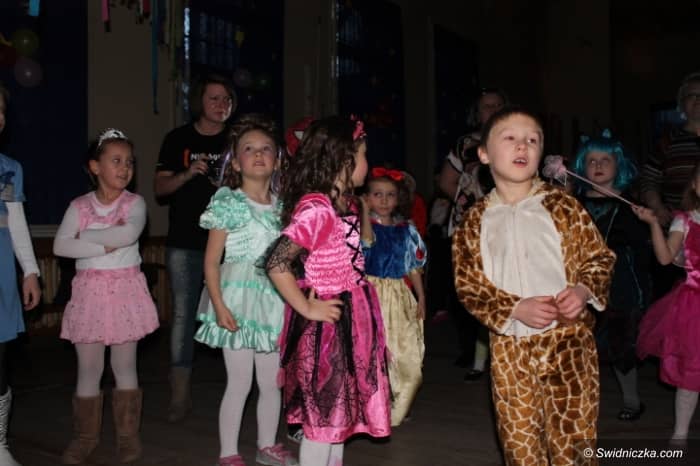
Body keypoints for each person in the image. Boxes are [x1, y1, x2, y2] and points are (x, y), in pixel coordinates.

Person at [452, 106, 615, 465]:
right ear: (484, 154)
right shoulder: (474, 221)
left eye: (532, 140)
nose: (522, 145)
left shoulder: (563, 206)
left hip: (567, 341)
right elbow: (469, 285)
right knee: (519, 444)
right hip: (510, 349)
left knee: (573, 442)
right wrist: (514, 307)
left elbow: (599, 258)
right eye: (510, 138)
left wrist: (583, 291)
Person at [266, 116, 391, 466]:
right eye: (363, 155)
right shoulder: (317, 209)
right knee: (323, 419)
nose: (368, 164)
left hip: (350, 319)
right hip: (327, 328)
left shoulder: (344, 204)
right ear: (343, 158)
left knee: (338, 417)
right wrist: (308, 308)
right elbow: (276, 261)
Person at [194, 114, 298, 466]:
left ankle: (267, 445)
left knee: (271, 382)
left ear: (277, 160)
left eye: (266, 149)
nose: (258, 154)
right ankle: (228, 452)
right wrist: (219, 305)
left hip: (273, 301)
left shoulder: (284, 207)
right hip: (237, 301)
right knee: (239, 382)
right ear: (236, 162)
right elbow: (212, 261)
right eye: (249, 149)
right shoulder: (228, 201)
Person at [54, 129, 159, 464]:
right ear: (95, 167)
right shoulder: (79, 206)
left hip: (125, 291)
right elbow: (61, 245)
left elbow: (128, 234)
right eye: (116, 160)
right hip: (90, 294)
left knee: (124, 365)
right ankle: (85, 437)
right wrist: (102, 243)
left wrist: (85, 235)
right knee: (89, 368)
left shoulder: (134, 203)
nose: (125, 167)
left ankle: (128, 437)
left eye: (129, 162)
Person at [154, 73, 236, 422]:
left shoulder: (238, 140)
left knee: (237, 310)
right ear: (199, 101)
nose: (221, 105)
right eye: (214, 98)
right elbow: (160, 189)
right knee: (184, 315)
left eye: (226, 99)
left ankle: (240, 386)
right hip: (185, 242)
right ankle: (179, 394)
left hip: (232, 244)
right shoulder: (178, 139)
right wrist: (188, 173)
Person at [573, 130, 652, 421]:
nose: (598, 165)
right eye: (591, 160)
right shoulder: (575, 204)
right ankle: (579, 401)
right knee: (581, 344)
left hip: (621, 286)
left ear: (619, 165)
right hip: (582, 284)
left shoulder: (630, 206)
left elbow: (642, 249)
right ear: (582, 166)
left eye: (605, 160)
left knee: (622, 343)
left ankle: (632, 400)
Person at [438, 88, 507, 380]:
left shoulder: (513, 139)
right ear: (477, 113)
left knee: (501, 288)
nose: (492, 110)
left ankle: (502, 353)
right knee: (468, 290)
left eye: (497, 105)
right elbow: (446, 181)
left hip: (504, 224)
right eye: (486, 106)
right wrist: (468, 200)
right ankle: (472, 352)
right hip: (468, 226)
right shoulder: (465, 144)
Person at [634, 160, 700, 445]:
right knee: (691, 371)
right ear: (695, 185)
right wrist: (653, 224)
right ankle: (681, 432)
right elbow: (664, 258)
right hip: (693, 307)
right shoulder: (685, 220)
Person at [360, 166, 427, 426]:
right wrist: (364, 213)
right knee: (374, 355)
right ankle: (374, 410)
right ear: (367, 198)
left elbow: (413, 267)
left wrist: (421, 297)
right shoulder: (363, 227)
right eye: (377, 194)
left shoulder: (406, 230)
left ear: (398, 199)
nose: (384, 200)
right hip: (370, 295)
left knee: (407, 356)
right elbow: (367, 243)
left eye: (390, 195)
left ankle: (395, 410)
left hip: (398, 296)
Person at [0, 82, 41, 466]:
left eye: (0, 110)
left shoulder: (10, 169)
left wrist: (29, 270)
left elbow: (16, 224)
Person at [641, 71, 700, 225]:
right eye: (692, 95)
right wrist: (657, 207)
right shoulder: (667, 140)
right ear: (682, 104)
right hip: (677, 226)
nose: (698, 99)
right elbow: (648, 180)